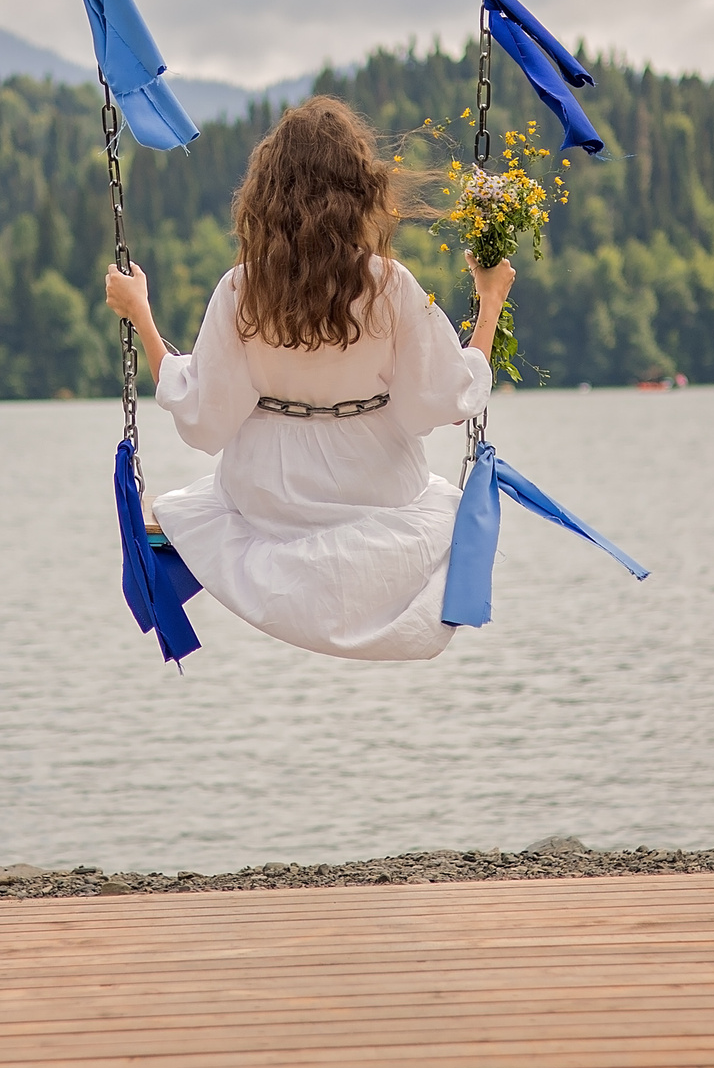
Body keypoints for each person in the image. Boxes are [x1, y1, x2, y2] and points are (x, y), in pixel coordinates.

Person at [103, 98, 515, 661]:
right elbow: (445, 400)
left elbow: (203, 419)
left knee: (193, 508)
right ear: (361, 190)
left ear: (265, 196)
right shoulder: (388, 286)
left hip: (265, 503)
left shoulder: (241, 289)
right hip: (380, 497)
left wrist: (141, 315)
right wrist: (489, 302)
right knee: (446, 509)